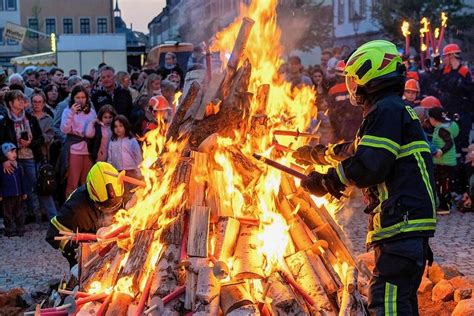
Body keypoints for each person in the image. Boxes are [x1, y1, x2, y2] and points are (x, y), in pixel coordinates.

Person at [293, 40, 435, 315]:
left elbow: (370, 164)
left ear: (371, 78)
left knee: (387, 305)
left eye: (355, 79)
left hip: (401, 226)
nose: (352, 87)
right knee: (401, 303)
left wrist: (327, 181)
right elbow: (359, 149)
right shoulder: (393, 110)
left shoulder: (386, 111)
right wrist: (317, 154)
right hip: (406, 228)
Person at [46, 162, 126, 266]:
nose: (111, 212)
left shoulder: (122, 190)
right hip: (88, 258)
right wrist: (77, 251)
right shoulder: (76, 209)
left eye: (116, 206)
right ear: (92, 197)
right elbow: (54, 233)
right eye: (105, 208)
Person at [0, 90, 44, 224]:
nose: (21, 101)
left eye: (22, 99)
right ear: (10, 103)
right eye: (18, 99)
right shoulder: (5, 122)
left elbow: (41, 139)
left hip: (30, 157)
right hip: (14, 159)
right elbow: (0, 143)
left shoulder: (30, 118)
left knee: (38, 185)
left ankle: (48, 214)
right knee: (20, 188)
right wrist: (3, 160)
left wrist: (31, 143)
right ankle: (26, 216)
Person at [59, 85, 97, 198]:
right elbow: (64, 129)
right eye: (78, 97)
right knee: (72, 183)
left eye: (83, 97)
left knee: (86, 183)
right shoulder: (67, 111)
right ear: (73, 98)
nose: (81, 100)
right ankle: (70, 208)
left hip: (88, 150)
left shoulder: (92, 112)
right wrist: (71, 113)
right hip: (74, 149)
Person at [435, 43, 472, 157]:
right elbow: (437, 82)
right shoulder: (445, 71)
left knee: (462, 140)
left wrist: (460, 86)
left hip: (462, 111)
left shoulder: (464, 72)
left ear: (451, 56)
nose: (444, 59)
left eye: (445, 56)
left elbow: (469, 92)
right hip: (447, 110)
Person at [30, 90, 57, 220]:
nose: (37, 104)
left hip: (42, 154)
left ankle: (52, 216)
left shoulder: (48, 118)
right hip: (28, 154)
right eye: (34, 101)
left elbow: (50, 136)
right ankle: (32, 215)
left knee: (44, 185)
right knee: (29, 187)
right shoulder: (26, 117)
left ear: (44, 103)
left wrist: (37, 139)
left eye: (39, 101)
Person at [428, 107, 459, 215]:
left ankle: (445, 205)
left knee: (443, 185)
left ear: (433, 119)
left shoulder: (442, 130)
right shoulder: (441, 128)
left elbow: (449, 143)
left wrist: (441, 151)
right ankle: (444, 204)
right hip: (443, 162)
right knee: (442, 184)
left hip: (445, 162)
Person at [326, 60, 363, 142]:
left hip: (340, 128)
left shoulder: (333, 90)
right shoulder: (357, 87)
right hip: (358, 127)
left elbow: (331, 113)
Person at [0, 143, 27, 237]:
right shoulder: (2, 167)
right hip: (7, 195)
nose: (14, 153)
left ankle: (20, 228)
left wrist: (24, 192)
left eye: (15, 151)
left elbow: (21, 180)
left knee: (19, 213)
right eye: (11, 152)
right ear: (4, 154)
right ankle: (9, 230)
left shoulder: (18, 166)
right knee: (7, 214)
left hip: (18, 194)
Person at [107, 115, 142, 179]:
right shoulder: (112, 141)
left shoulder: (132, 140)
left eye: (120, 126)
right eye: (115, 126)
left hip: (131, 170)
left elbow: (138, 156)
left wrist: (139, 171)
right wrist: (110, 170)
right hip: (117, 171)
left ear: (125, 127)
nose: (118, 129)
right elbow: (110, 158)